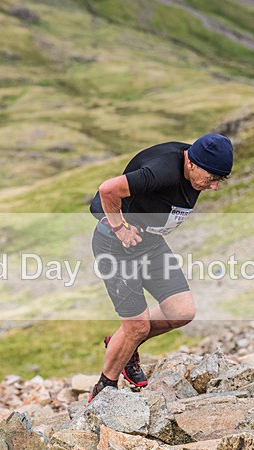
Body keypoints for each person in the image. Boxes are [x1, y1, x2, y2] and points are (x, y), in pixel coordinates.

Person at [88, 133, 233, 401]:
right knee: (137, 327)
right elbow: (108, 189)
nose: (213, 187)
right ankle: (104, 390)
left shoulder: (195, 169)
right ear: (192, 164)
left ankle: (123, 343)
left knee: (181, 312)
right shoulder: (163, 170)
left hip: (150, 244)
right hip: (115, 247)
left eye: (219, 180)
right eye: (211, 178)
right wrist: (120, 229)